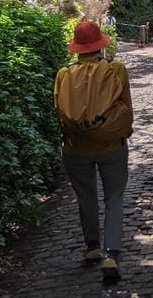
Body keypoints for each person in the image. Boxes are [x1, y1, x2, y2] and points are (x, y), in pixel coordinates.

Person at [54, 20, 133, 280]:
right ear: (100, 44)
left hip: (76, 147)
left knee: (86, 198)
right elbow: (126, 108)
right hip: (111, 145)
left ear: (76, 48)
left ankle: (91, 248)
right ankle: (112, 254)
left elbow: (59, 112)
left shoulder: (64, 74)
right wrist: (122, 134)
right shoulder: (116, 70)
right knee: (114, 198)